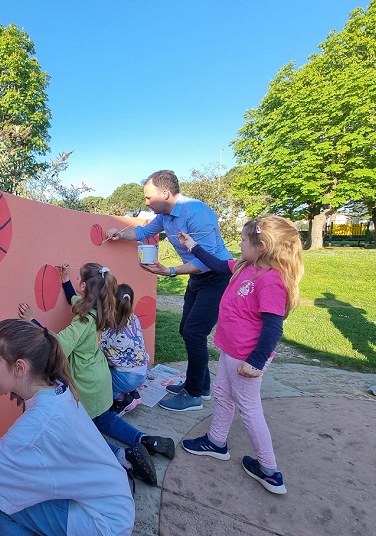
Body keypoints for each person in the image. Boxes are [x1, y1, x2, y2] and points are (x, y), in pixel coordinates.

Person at [0, 319, 135, 535]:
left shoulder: (35, 429)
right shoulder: (55, 387)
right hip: (114, 503)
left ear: (20, 368)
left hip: (103, 523)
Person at [178, 215, 305, 495]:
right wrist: (193, 246)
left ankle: (270, 471)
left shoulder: (271, 280)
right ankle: (216, 441)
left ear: (261, 245)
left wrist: (256, 362)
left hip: (247, 357)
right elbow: (216, 264)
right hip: (232, 350)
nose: (239, 243)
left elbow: (273, 326)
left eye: (244, 240)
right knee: (223, 395)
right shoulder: (246, 267)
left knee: (249, 408)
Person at [18, 262, 175, 487]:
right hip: (101, 377)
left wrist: (31, 320)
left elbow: (59, 345)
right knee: (105, 418)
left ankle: (125, 457)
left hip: (86, 383)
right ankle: (145, 440)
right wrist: (65, 281)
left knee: (83, 434)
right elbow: (75, 301)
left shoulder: (82, 320)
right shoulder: (102, 308)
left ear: (83, 285)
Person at [106, 170, 232, 412]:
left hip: (217, 276)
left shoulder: (198, 213)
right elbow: (144, 232)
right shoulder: (164, 215)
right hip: (197, 277)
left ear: (165, 193)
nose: (145, 202)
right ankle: (201, 385)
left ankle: (193, 395)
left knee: (195, 333)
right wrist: (119, 235)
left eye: (148, 197)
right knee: (186, 329)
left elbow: (206, 261)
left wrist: (170, 271)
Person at [100, 283, 149, 414]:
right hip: (142, 372)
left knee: (99, 381)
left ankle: (124, 399)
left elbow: (103, 353)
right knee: (124, 363)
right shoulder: (134, 319)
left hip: (128, 378)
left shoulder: (111, 330)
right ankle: (134, 393)